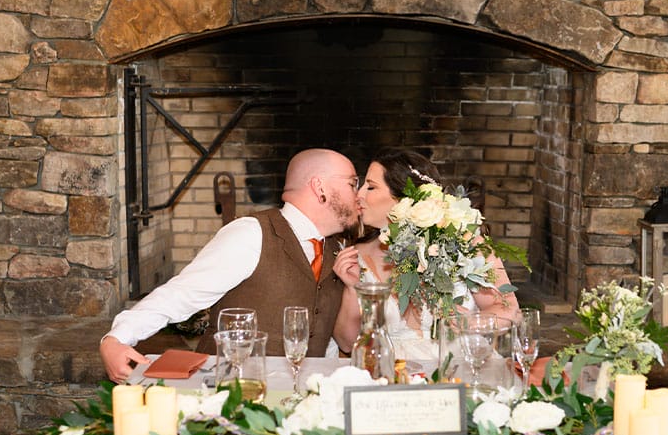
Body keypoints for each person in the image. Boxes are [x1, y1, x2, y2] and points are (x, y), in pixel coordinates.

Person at [100, 148, 361, 383]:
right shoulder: (252, 234)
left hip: (300, 397)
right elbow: (182, 293)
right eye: (352, 183)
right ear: (320, 187)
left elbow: (326, 336)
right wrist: (117, 339)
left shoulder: (336, 250)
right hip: (228, 394)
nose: (358, 195)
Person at [331, 149, 520, 360]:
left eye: (371, 187)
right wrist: (351, 288)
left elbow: (510, 311)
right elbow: (347, 343)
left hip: (461, 365)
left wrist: (471, 322)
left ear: (403, 197)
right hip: (393, 372)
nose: (359, 195)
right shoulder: (355, 256)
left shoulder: (465, 242)